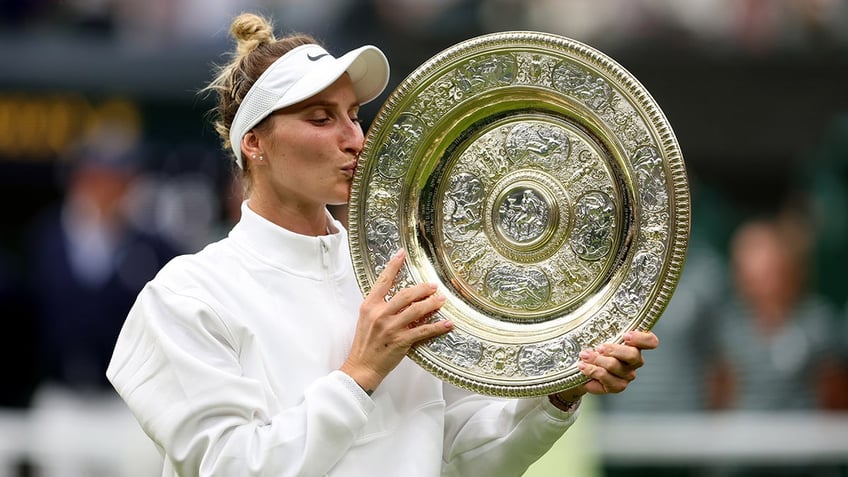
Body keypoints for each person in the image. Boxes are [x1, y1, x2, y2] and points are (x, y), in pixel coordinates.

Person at [106, 12, 658, 477]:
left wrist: (559, 393)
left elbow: (463, 455)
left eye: (353, 116)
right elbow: (230, 466)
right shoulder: (186, 295)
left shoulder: (406, 275)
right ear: (254, 144)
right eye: (320, 119)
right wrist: (360, 373)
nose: (354, 139)